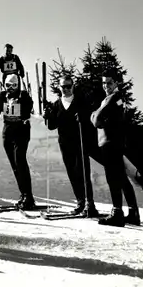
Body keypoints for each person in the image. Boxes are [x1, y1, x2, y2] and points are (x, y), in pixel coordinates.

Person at [43, 75, 101, 217]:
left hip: (80, 142)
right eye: (64, 86)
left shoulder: (81, 101)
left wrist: (84, 118)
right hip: (65, 144)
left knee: (83, 173)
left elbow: (91, 121)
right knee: (72, 174)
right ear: (59, 87)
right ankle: (80, 203)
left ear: (73, 86)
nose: (66, 89)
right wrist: (48, 116)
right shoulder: (57, 105)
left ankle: (90, 204)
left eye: (69, 86)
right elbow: (51, 126)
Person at [90, 70, 140, 227]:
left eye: (109, 82)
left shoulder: (115, 98)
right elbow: (99, 117)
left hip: (111, 142)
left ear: (116, 83)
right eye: (104, 82)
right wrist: (98, 115)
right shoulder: (108, 99)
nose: (106, 86)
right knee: (121, 177)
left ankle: (117, 212)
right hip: (111, 142)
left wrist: (96, 115)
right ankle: (133, 213)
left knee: (113, 178)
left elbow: (96, 119)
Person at [0, 74, 35, 209]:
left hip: (21, 130)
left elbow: (27, 111)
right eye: (8, 85)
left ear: (18, 85)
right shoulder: (2, 96)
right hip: (8, 131)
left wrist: (18, 106)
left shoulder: (24, 96)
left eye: (14, 85)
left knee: (20, 160)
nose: (11, 88)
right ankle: (23, 194)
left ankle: (29, 196)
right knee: (14, 164)